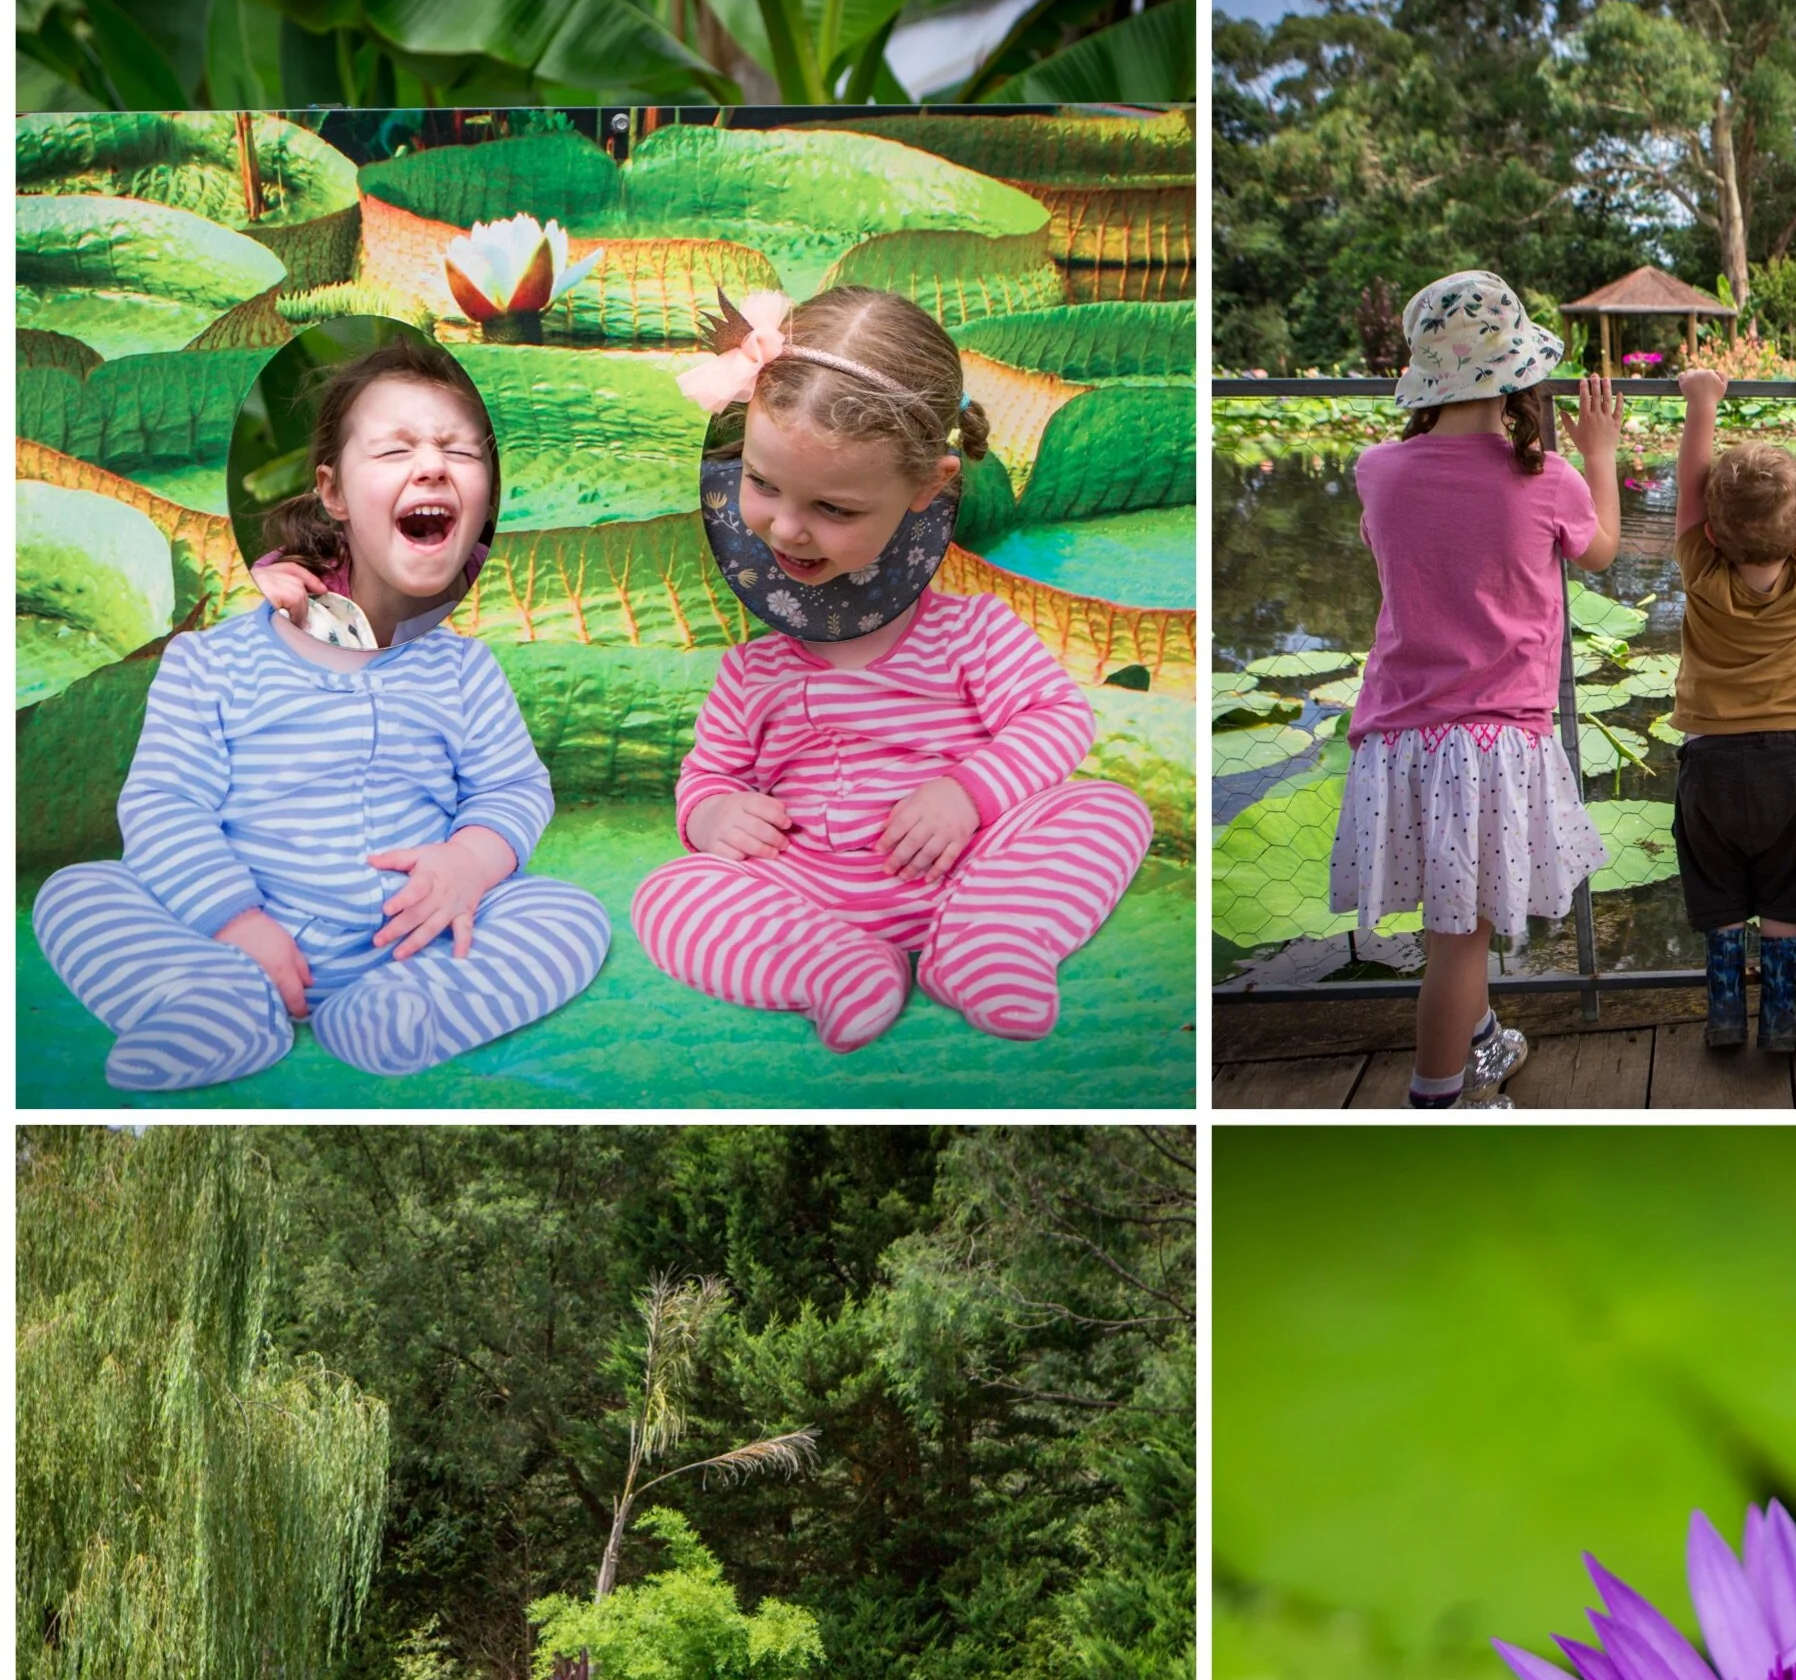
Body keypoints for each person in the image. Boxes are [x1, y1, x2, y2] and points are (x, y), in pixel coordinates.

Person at [31, 338, 609, 1092]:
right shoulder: (210, 664)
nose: (432, 464)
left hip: (413, 941)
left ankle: (407, 1010)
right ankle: (214, 1004)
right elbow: (165, 806)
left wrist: (469, 861)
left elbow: (513, 791)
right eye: (396, 448)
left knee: (568, 914)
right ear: (333, 494)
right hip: (230, 942)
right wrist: (235, 921)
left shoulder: (465, 669)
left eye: (460, 452)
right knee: (78, 894)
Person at [630, 287, 1151, 1049]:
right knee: (668, 894)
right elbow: (709, 774)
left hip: (971, 874)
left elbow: (1059, 718)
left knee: (1109, 811)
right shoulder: (751, 672)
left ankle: (986, 948)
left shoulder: (969, 633)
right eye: (763, 483)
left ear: (927, 487)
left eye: (834, 509)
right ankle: (832, 968)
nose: (786, 526)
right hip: (804, 891)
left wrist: (968, 792)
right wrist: (710, 815)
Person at [1326, 271, 1619, 1111]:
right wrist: (1599, 450)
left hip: (1397, 735)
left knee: (1457, 916)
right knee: (1459, 941)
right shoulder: (1550, 478)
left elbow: (1391, 542)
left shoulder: (1377, 471)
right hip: (1487, 743)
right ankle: (1440, 1100)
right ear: (1521, 374)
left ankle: (1482, 1039)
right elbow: (1597, 554)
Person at [1669, 366, 1796, 1053]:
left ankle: (1724, 1017)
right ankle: (1779, 1020)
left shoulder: (1701, 567)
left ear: (1713, 533)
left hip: (1710, 764)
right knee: (1784, 896)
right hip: (1788, 762)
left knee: (1719, 897)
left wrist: (1702, 403)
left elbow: (1691, 488)